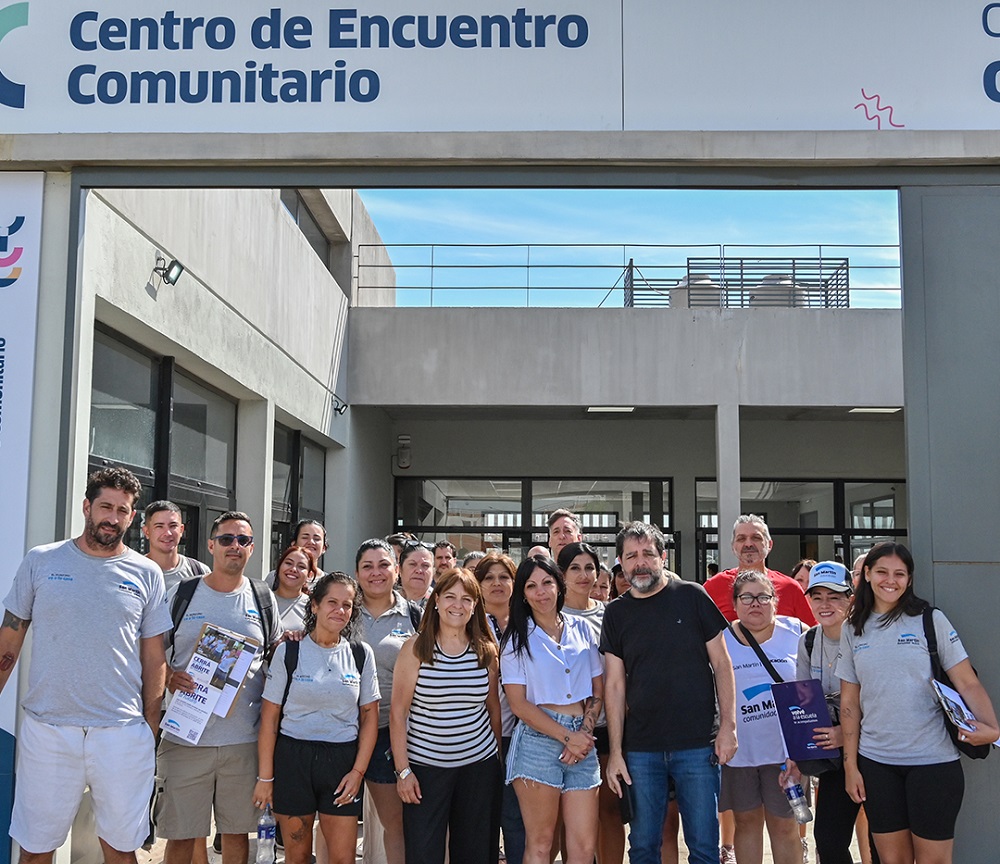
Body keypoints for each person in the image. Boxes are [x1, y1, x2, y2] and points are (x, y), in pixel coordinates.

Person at [0, 467, 171, 864]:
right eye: (105, 506)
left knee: (120, 851)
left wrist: (150, 728)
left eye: (123, 510)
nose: (113, 517)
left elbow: (154, 658)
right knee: (36, 850)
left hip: (122, 735)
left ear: (132, 517)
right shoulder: (41, 561)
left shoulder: (147, 573)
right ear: (86, 507)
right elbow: (8, 643)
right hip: (49, 731)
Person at [839, 542, 1000, 864]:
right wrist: (851, 766)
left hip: (934, 762)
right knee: (892, 860)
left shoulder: (930, 620)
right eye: (882, 571)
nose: (891, 580)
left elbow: (967, 681)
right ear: (867, 574)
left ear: (909, 580)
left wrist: (993, 730)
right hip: (876, 763)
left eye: (900, 574)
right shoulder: (852, 628)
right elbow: (849, 702)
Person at [601, 521, 737, 864]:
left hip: (697, 745)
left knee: (704, 847)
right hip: (641, 750)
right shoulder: (616, 613)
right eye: (631, 556)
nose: (640, 562)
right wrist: (615, 752)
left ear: (663, 557)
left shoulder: (692, 596)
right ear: (621, 562)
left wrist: (728, 728)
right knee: (644, 846)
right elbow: (614, 685)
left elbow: (722, 664)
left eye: (648, 553)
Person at [156, 511, 282, 864]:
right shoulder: (181, 594)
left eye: (243, 540)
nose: (234, 546)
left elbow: (274, 654)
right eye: (226, 539)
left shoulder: (262, 597)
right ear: (211, 545)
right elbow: (150, 650)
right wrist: (167, 675)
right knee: (181, 839)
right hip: (186, 740)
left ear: (252, 549)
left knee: (235, 839)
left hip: (243, 741)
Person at [255, 572, 379, 864]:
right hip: (293, 759)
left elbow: (370, 717)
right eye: (332, 602)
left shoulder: (361, 654)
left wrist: (357, 772)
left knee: (342, 858)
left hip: (342, 763)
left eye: (347, 605)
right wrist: (265, 777)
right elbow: (269, 718)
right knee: (296, 856)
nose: (339, 611)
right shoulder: (290, 650)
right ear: (314, 606)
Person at [391, 568, 501, 864]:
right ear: (436, 600)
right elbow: (398, 714)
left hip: (478, 768)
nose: (458, 605)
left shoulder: (486, 650)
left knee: (475, 854)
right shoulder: (415, 649)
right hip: (425, 771)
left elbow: (493, 708)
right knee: (424, 853)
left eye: (466, 599)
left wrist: (497, 762)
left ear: (475, 605)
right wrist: (403, 771)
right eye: (450, 596)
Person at [500, 555, 603, 864]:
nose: (541, 592)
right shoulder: (516, 638)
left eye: (546, 583)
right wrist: (565, 737)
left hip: (583, 743)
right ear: (523, 594)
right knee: (541, 844)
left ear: (559, 585)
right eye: (531, 586)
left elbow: (597, 691)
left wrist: (582, 733)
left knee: (583, 847)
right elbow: (518, 704)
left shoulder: (583, 629)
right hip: (537, 741)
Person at [721, 570, 805, 864]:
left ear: (775, 601)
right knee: (746, 824)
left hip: (787, 754)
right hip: (740, 752)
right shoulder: (722, 640)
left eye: (763, 597)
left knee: (785, 826)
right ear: (735, 603)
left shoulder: (797, 631)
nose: (755, 603)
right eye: (746, 597)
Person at [793, 560, 866, 864]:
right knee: (828, 841)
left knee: (883, 841)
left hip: (875, 751)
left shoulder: (867, 637)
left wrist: (845, 732)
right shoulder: (808, 641)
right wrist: (797, 752)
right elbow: (803, 704)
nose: (825, 604)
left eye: (834, 596)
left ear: (851, 597)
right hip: (836, 758)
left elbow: (886, 701)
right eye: (817, 596)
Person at [355, 538, 421, 864]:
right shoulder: (343, 611)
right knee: (332, 823)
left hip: (395, 733)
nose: (376, 573)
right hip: (344, 730)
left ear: (396, 570)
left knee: (397, 824)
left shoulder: (415, 616)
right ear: (357, 573)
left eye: (383, 565)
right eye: (367, 566)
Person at [557, 541, 623, 864]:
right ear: (561, 574)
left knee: (610, 812)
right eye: (575, 568)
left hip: (607, 727)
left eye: (589, 568)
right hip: (562, 732)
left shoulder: (610, 614)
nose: (583, 576)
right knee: (566, 819)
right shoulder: (548, 615)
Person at [474, 552, 526, 864]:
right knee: (481, 823)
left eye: (504, 577)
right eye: (489, 577)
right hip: (480, 739)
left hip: (525, 737)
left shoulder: (529, 623)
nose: (497, 583)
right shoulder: (466, 624)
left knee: (518, 821)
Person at [704, 515, 815, 625]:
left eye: (756, 538)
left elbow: (811, 635)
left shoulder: (791, 588)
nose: (748, 544)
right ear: (733, 546)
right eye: (741, 539)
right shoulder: (713, 587)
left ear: (769, 545)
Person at [143, 500, 210, 592]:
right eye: (159, 526)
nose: (167, 533)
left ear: (181, 530)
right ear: (146, 532)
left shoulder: (199, 572)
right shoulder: (132, 572)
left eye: (173, 526)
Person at [272, 544, 315, 632]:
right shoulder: (262, 601)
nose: (293, 569)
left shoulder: (313, 607)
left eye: (301, 567)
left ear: (309, 575)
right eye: (288, 563)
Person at [399, 540, 435, 606]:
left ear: (433, 571)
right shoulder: (386, 602)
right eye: (412, 564)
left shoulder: (440, 603)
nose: (419, 571)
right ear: (400, 569)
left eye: (425, 565)